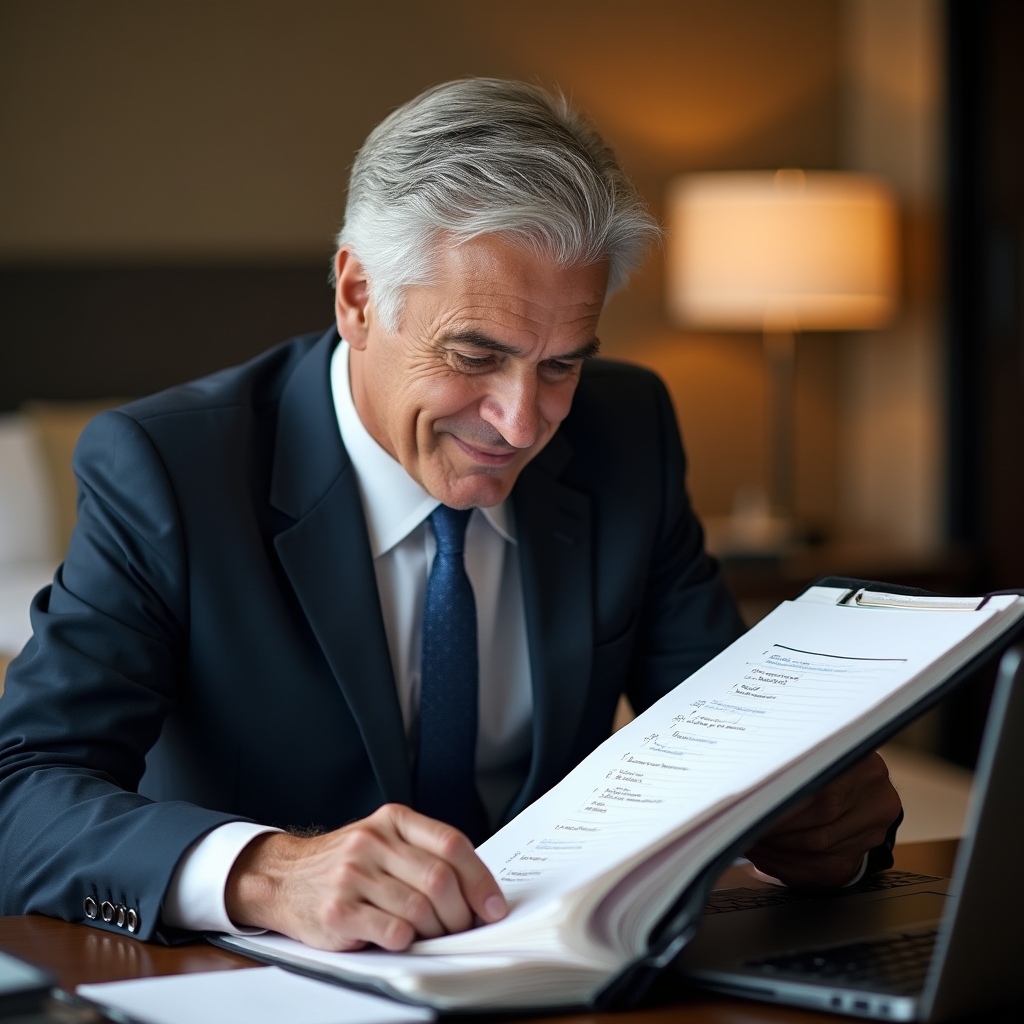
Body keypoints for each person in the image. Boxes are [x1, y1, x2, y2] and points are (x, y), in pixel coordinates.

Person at [0, 79, 901, 953]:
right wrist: (269, 874)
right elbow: (23, 794)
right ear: (357, 296)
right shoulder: (169, 470)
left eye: (562, 365)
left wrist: (828, 826)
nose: (521, 423)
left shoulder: (627, 434)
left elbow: (730, 732)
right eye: (474, 356)